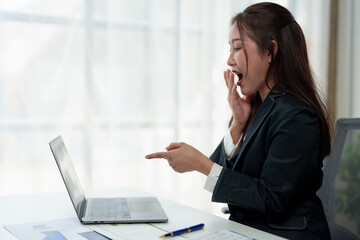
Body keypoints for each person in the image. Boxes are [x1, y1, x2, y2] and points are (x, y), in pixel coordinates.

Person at [145, 2, 332, 239]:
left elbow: (271, 200)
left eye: (236, 48)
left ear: (269, 52)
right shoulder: (263, 107)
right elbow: (233, 178)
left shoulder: (296, 116)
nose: (229, 61)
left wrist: (201, 164)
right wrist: (237, 125)